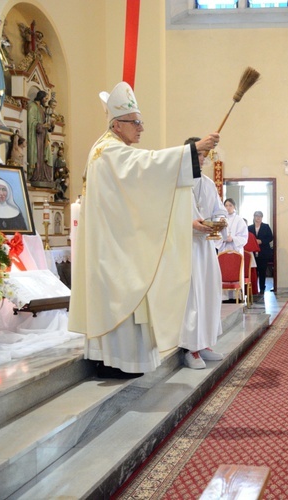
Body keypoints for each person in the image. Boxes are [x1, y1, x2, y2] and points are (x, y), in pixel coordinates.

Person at [69, 81, 220, 377]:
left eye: (141, 122)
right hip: (116, 247)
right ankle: (119, 362)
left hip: (117, 241)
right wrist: (194, 149)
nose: (141, 128)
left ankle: (114, 359)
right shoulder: (110, 151)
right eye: (136, 123)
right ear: (117, 124)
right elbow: (148, 165)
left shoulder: (109, 150)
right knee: (125, 296)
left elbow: (143, 178)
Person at [179, 137, 227, 370]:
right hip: (186, 247)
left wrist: (219, 222)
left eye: (204, 156)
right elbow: (166, 215)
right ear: (188, 155)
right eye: (199, 155)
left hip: (207, 247)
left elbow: (219, 211)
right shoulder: (176, 183)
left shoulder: (207, 184)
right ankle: (191, 348)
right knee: (192, 297)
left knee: (209, 293)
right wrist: (190, 224)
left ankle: (205, 343)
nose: (203, 160)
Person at [28, 90, 53, 181]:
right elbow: (31, 122)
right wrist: (41, 126)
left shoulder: (41, 108)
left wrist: (50, 125)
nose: (46, 100)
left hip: (43, 136)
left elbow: (46, 124)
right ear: (41, 97)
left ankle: (43, 176)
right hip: (36, 138)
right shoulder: (32, 106)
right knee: (38, 156)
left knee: (46, 155)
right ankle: (36, 176)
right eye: (45, 98)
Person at [249, 210, 273, 294]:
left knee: (262, 270)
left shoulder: (266, 227)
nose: (258, 218)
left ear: (262, 218)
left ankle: (262, 287)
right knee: (254, 271)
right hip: (253, 252)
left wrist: (261, 241)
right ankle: (253, 288)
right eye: (256, 216)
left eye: (259, 216)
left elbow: (270, 237)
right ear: (254, 217)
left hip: (263, 252)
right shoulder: (250, 227)